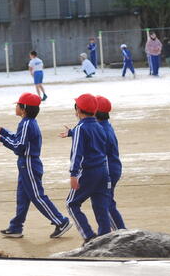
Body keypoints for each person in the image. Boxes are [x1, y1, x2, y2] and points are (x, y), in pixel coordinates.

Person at [0, 92, 71, 240]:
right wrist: (2, 132)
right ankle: (16, 227)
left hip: (28, 164)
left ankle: (61, 221)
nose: (16, 107)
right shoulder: (27, 123)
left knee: (37, 196)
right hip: (26, 164)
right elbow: (19, 139)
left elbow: (19, 147)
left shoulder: (26, 123)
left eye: (18, 105)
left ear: (24, 108)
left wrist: (1, 139)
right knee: (22, 197)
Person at [60, 93, 111, 244]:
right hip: (103, 171)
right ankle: (106, 238)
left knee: (71, 204)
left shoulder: (81, 128)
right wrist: (72, 133)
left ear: (78, 110)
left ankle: (88, 236)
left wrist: (73, 174)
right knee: (101, 206)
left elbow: (77, 153)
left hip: (88, 172)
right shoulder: (99, 126)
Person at [94, 96, 125, 231]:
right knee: (105, 202)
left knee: (105, 203)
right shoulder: (103, 125)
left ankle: (121, 233)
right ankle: (116, 232)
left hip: (108, 171)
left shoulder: (102, 130)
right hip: (112, 168)